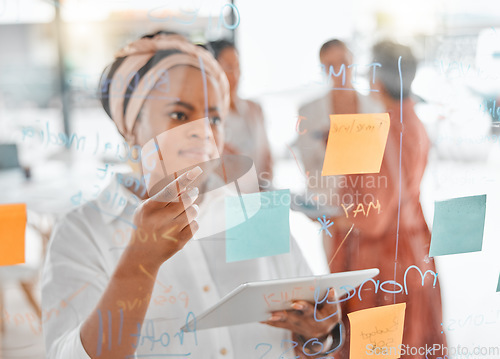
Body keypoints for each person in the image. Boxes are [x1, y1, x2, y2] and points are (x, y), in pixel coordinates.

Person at [41, 32, 341, 359]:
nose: (203, 131)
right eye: (180, 114)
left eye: (214, 117)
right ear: (131, 128)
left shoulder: (253, 213)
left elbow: (302, 334)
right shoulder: (83, 232)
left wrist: (319, 335)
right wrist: (138, 263)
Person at [329, 41, 447, 359]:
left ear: (375, 79)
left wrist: (325, 216)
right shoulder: (415, 121)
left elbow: (371, 218)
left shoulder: (375, 129)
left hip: (380, 262)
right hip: (415, 251)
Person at [295, 39, 383, 221]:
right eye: (330, 66)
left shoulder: (375, 108)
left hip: (369, 208)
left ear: (353, 61)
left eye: (343, 62)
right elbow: (309, 169)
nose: (339, 71)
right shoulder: (308, 112)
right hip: (329, 208)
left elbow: (381, 166)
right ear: (323, 70)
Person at [207, 39, 273, 189]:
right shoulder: (208, 119)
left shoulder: (254, 109)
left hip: (260, 193)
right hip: (228, 199)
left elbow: (267, 156)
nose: (235, 75)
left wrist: (266, 187)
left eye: (237, 67)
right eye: (229, 68)